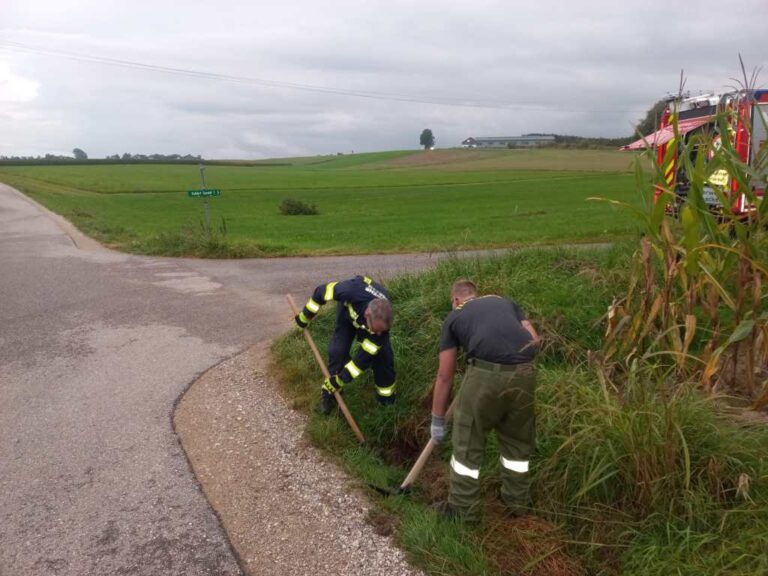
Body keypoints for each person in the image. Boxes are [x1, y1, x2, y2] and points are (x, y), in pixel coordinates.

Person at [430, 279, 539, 522]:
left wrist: (437, 420)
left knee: (468, 440)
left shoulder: (455, 315)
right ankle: (517, 502)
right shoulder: (505, 302)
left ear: (455, 300)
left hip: (485, 376)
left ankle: (463, 511)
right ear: (477, 295)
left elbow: (444, 376)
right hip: (526, 373)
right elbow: (534, 339)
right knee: (517, 442)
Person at [295, 275, 396, 414]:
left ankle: (386, 402)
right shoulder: (349, 290)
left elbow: (362, 359)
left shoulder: (382, 326)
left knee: (383, 359)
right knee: (337, 352)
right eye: (377, 330)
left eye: (381, 331)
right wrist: (304, 317)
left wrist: (342, 379)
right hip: (347, 314)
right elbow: (320, 292)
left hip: (368, 322)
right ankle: (331, 396)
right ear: (367, 314)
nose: (379, 334)